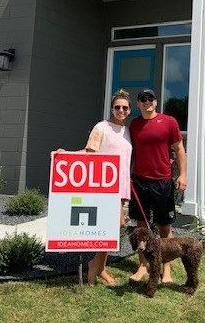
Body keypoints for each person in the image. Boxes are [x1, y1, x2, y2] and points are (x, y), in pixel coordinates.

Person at [129, 88, 187, 284]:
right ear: (138, 104)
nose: (147, 102)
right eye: (142, 99)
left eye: (150, 98)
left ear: (156, 102)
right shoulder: (134, 125)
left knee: (164, 227)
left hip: (162, 182)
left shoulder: (169, 122)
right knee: (141, 228)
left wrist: (183, 175)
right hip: (139, 181)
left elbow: (179, 149)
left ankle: (166, 268)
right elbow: (131, 152)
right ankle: (143, 266)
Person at [83, 89, 132, 286]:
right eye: (117, 107)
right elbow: (89, 153)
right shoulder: (101, 127)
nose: (121, 110)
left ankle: (99, 266)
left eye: (125, 107)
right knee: (113, 225)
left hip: (121, 186)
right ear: (112, 108)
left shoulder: (127, 131)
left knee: (112, 227)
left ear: (129, 111)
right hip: (104, 186)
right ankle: (95, 266)